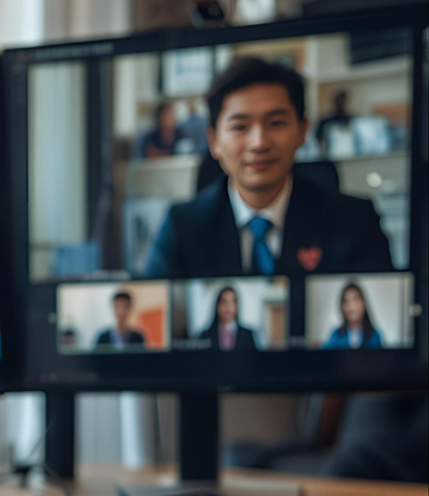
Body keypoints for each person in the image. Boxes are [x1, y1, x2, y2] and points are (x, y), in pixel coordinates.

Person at [144, 58, 393, 279]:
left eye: (276, 123)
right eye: (240, 127)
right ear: (214, 141)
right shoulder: (181, 227)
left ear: (302, 131)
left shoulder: (356, 222)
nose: (259, 143)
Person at [323, 281, 383, 349]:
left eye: (355, 300)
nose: (351, 307)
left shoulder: (374, 336)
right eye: (346, 301)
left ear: (363, 304)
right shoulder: (336, 336)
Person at [198, 286, 257, 351]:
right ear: (217, 306)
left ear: (237, 307)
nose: (228, 307)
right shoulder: (205, 336)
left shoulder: (247, 335)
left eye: (232, 302)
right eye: (224, 302)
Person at [315, 90, 352, 155]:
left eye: (342, 101)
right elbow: (319, 140)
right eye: (339, 101)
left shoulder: (351, 119)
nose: (340, 104)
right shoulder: (326, 121)